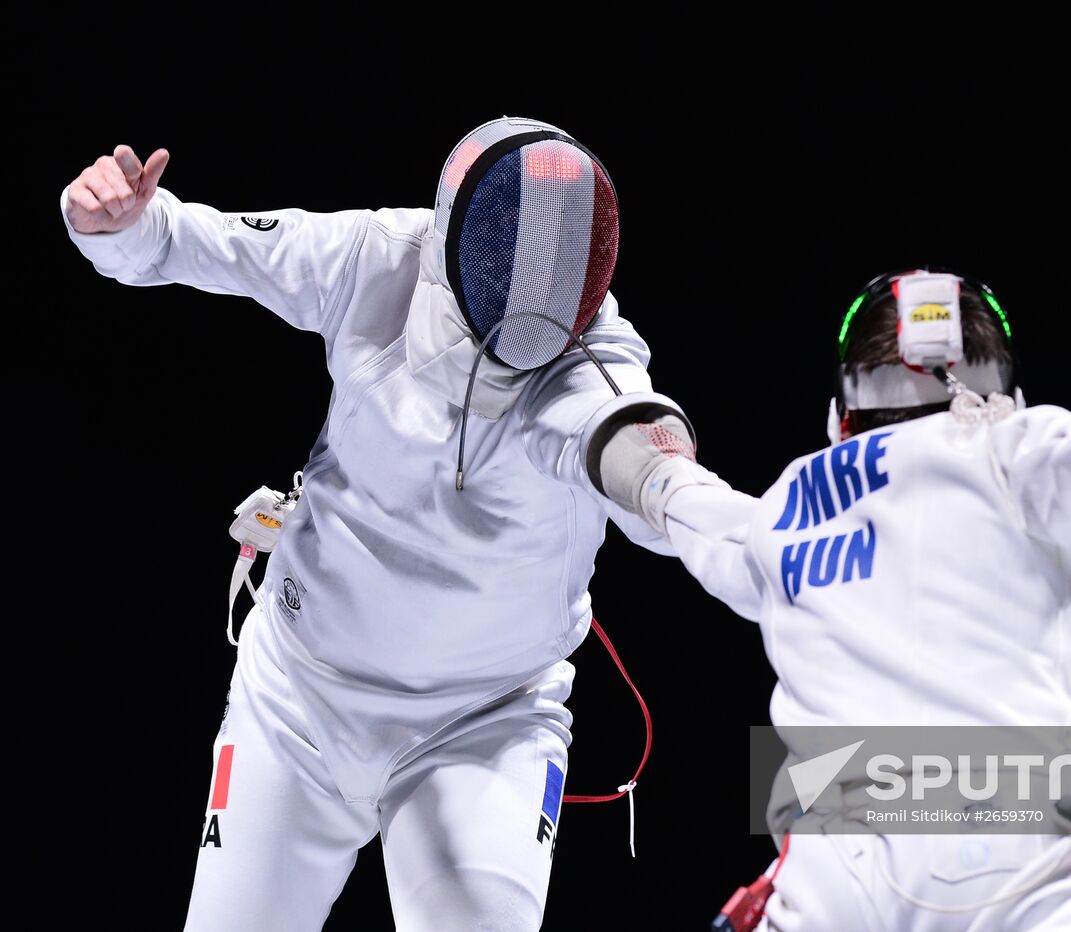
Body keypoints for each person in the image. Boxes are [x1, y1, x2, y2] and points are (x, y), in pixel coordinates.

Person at [61, 118, 702, 932]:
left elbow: (648, 470)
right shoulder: (375, 260)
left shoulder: (596, 365)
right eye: (506, 245)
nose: (531, 296)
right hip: (296, 702)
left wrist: (696, 502)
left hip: (485, 724)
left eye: (557, 266)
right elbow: (190, 241)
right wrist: (116, 226)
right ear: (454, 231)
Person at [596, 268, 1071, 931]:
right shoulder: (1013, 455)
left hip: (837, 882)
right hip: (1021, 861)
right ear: (1006, 398)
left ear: (840, 414)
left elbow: (677, 498)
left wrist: (591, 422)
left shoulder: (789, 507)